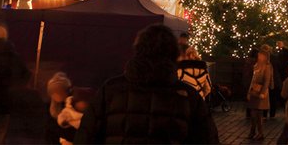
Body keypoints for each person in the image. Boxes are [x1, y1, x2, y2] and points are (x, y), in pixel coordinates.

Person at [74, 24, 218, 144]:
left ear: (138, 50)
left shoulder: (111, 90)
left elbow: (86, 136)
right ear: (173, 54)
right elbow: (207, 139)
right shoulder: (189, 97)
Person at [246, 46, 273, 141]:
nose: (259, 57)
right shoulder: (256, 66)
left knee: (258, 114)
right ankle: (253, 131)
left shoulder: (267, 66)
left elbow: (267, 80)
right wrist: (249, 92)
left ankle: (260, 133)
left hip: (261, 92)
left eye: (260, 55)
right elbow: (253, 80)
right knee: (253, 113)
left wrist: (263, 92)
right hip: (254, 92)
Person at [46, 72, 74, 145]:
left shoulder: (72, 105)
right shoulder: (49, 108)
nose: (57, 94)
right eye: (54, 92)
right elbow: (49, 130)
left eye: (60, 91)